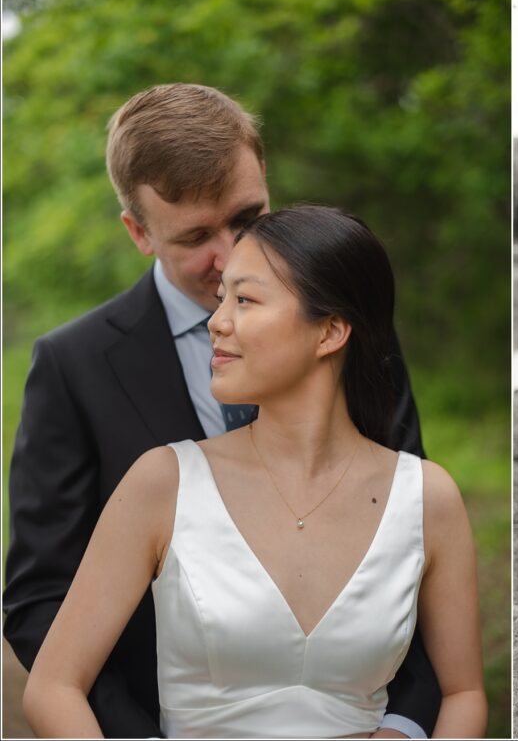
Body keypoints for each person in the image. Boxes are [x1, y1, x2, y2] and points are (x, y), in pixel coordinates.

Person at [4, 84, 440, 738]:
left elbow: (410, 543)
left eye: (247, 216)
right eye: (197, 236)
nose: (232, 254)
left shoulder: (345, 324)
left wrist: (404, 724)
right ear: (138, 232)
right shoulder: (75, 366)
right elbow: (41, 598)